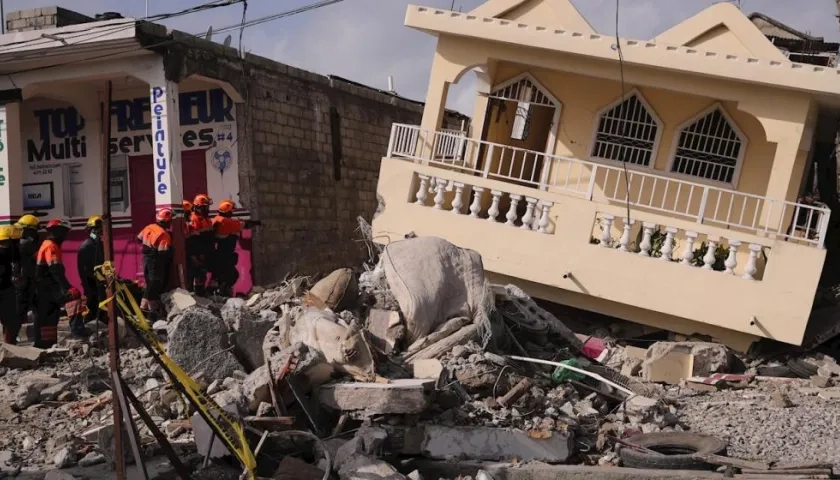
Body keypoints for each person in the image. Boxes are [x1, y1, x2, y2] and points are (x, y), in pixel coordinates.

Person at [34, 219, 80, 349]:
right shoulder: (51, 246)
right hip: (48, 287)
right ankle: (77, 331)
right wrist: (67, 288)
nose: (65, 236)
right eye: (64, 232)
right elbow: (56, 270)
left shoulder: (48, 244)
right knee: (74, 296)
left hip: (45, 287)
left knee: (50, 317)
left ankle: (47, 344)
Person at [209, 200, 259, 297]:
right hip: (223, 255)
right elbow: (245, 225)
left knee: (221, 276)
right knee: (231, 275)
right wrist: (259, 222)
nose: (232, 213)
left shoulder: (217, 219)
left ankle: (219, 293)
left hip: (220, 254)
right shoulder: (224, 221)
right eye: (231, 211)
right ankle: (220, 293)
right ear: (227, 211)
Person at [137, 208, 174, 321]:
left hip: (146, 260)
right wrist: (171, 250)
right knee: (154, 286)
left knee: (149, 286)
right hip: (155, 262)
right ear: (166, 221)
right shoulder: (164, 234)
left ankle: (143, 311)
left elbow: (138, 239)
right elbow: (163, 253)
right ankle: (153, 314)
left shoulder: (149, 227)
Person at [13, 215, 40, 345]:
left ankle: (12, 338)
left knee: (19, 311)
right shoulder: (28, 244)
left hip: (19, 282)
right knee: (30, 309)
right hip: (28, 282)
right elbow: (39, 260)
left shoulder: (16, 242)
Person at [77, 215, 105, 333]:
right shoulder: (86, 246)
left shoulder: (99, 244)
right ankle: (86, 327)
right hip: (91, 283)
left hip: (100, 281)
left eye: (99, 229)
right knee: (92, 305)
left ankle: (100, 328)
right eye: (95, 229)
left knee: (102, 304)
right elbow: (83, 269)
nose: (98, 232)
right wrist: (88, 283)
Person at [185, 194, 213, 296]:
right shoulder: (194, 218)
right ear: (200, 207)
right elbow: (193, 241)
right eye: (205, 206)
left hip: (205, 251)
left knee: (201, 274)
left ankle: (201, 292)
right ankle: (194, 294)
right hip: (197, 253)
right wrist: (196, 256)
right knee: (194, 274)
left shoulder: (205, 218)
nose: (207, 208)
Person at [0, 226, 20, 344]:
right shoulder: (7, 253)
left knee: (9, 321)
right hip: (5, 290)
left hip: (6, 288)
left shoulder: (9, 252)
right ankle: (9, 346)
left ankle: (9, 345)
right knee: (9, 321)